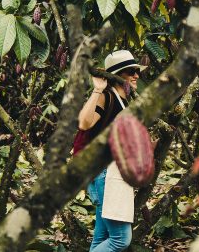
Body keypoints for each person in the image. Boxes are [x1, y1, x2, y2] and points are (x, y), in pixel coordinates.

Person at [78, 50, 146, 252]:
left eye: (137, 71)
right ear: (117, 75)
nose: (136, 75)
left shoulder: (125, 101)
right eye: (131, 71)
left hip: (113, 173)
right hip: (107, 174)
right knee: (120, 239)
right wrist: (97, 89)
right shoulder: (107, 97)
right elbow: (84, 122)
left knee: (102, 238)